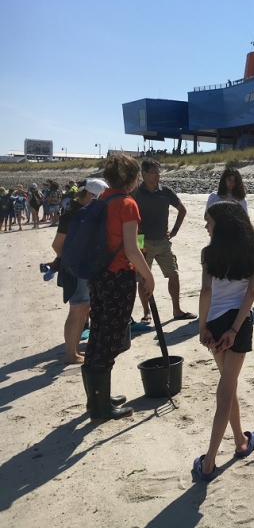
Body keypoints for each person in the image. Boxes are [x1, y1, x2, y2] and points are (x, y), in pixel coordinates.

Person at [194, 201, 254, 481]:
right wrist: (235, 329)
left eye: (209, 221)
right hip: (239, 322)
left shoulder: (209, 253)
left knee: (227, 385)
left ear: (222, 225)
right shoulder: (253, 251)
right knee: (228, 386)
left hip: (215, 322)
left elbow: (206, 291)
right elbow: (250, 294)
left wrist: (202, 326)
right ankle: (217, 456)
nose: (206, 226)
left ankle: (233, 445)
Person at [83, 155, 155, 421]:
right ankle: (101, 407)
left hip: (98, 275)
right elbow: (131, 249)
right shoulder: (126, 204)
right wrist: (148, 276)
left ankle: (96, 398)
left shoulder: (101, 199)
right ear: (133, 178)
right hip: (117, 275)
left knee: (98, 332)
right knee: (111, 337)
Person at [52, 179, 108, 364]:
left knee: (83, 307)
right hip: (77, 268)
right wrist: (71, 261)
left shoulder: (81, 211)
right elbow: (57, 245)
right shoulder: (72, 214)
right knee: (77, 309)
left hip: (83, 267)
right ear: (89, 195)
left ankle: (74, 350)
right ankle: (71, 354)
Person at [133, 158, 195, 322]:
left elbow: (182, 210)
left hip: (163, 241)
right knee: (142, 279)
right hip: (141, 241)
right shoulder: (136, 193)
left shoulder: (166, 191)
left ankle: (177, 310)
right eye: (154, 172)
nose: (157, 175)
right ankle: (147, 312)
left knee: (173, 274)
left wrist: (174, 231)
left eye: (158, 172)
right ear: (144, 174)